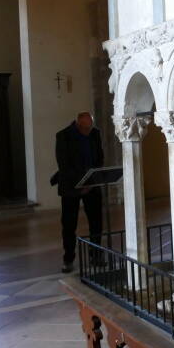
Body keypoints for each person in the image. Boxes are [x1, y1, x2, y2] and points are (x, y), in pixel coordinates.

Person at [55, 112, 104, 273]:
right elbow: (64, 164)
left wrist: (91, 181)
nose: (87, 131)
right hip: (71, 187)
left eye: (90, 128)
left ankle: (96, 255)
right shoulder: (63, 136)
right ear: (77, 125)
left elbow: (99, 158)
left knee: (96, 222)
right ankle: (68, 258)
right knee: (69, 224)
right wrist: (80, 183)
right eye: (84, 129)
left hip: (91, 185)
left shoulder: (95, 134)